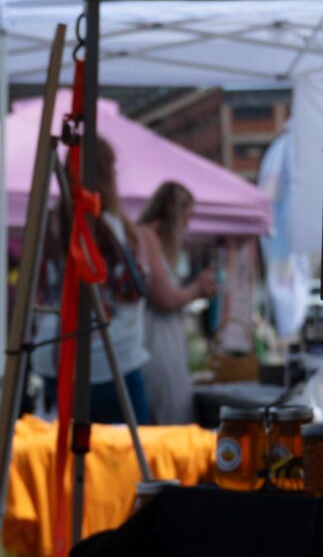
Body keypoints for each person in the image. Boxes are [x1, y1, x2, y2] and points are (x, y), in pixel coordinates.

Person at [30, 135, 149, 425]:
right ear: (106, 174)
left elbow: (40, 291)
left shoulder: (49, 225)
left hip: (57, 357)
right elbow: (132, 293)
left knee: (70, 457)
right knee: (128, 459)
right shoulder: (109, 226)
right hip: (111, 358)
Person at [131, 181, 221, 427]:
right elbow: (165, 299)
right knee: (169, 422)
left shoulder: (150, 239)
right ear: (175, 213)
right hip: (157, 348)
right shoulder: (146, 236)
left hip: (164, 345)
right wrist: (197, 289)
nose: (188, 225)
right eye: (187, 216)